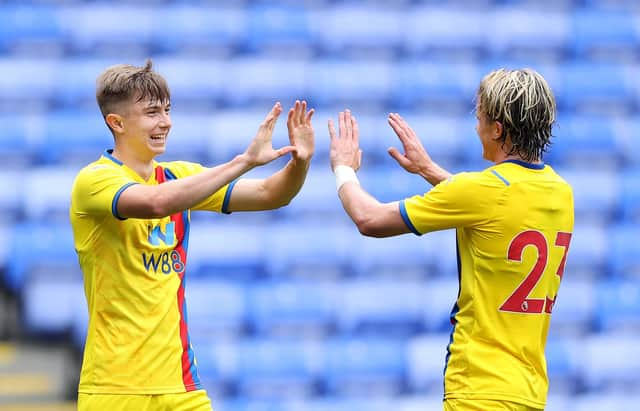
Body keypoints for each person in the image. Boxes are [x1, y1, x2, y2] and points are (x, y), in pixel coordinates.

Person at [69, 59, 314, 411]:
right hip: (115, 386)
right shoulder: (94, 181)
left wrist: (299, 162)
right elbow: (156, 203)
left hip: (183, 386)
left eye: (167, 111)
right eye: (152, 112)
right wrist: (243, 161)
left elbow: (270, 195)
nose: (165, 122)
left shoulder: (179, 175)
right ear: (116, 123)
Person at [328, 68, 573, 411]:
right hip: (528, 391)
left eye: (480, 117)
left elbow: (369, 220)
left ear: (497, 129)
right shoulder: (560, 192)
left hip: (478, 388)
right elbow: (493, 208)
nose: (476, 127)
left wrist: (343, 169)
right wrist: (429, 169)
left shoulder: (482, 189)